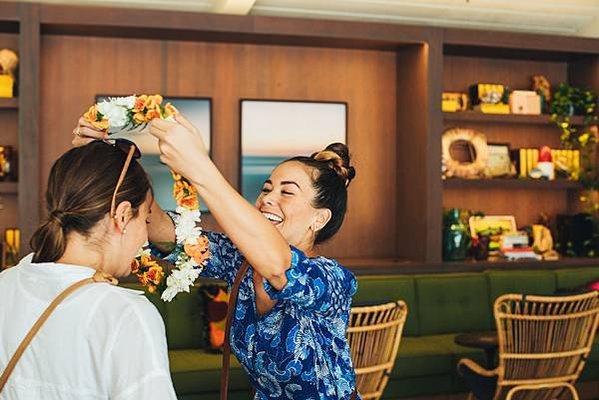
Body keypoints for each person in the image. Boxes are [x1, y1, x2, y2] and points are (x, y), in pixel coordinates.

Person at [74, 115, 359, 399]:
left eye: (287, 192)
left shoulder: (333, 280)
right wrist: (114, 162)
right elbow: (164, 231)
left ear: (319, 219)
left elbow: (280, 268)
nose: (268, 199)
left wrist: (199, 167)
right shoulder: (239, 261)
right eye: (267, 188)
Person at [0, 141, 177, 399]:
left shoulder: (5, 285)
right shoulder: (125, 315)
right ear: (124, 215)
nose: (146, 239)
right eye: (146, 218)